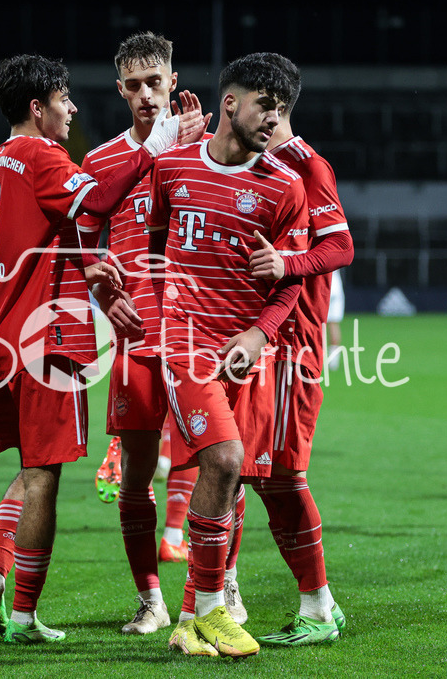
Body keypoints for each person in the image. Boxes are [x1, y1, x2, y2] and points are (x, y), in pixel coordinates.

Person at [0, 53, 181, 645]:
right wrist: (153, 146)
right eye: (64, 99)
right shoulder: (41, 155)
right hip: (44, 340)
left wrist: (83, 261)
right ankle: (24, 616)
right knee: (45, 479)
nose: (73, 109)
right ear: (38, 108)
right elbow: (103, 198)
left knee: (31, 468)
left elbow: (44, 232)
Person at [148, 52, 315, 658]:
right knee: (222, 459)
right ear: (230, 104)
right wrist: (151, 322)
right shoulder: (171, 170)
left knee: (234, 477)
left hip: (245, 349)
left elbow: (290, 280)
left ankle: (192, 614)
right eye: (265, 105)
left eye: (284, 109)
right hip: (185, 342)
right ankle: (216, 607)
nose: (275, 119)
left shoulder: (285, 187)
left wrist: (260, 336)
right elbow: (153, 245)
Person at [78, 31, 209, 636]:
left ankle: (215, 593)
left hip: (195, 333)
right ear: (120, 90)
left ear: (173, 81)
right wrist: (106, 294)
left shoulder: (205, 150)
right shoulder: (101, 161)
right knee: (134, 476)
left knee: (218, 463)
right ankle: (150, 598)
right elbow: (84, 244)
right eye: (133, 85)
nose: (146, 94)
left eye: (155, 81)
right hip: (134, 337)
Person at [244, 54, 354, 646]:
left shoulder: (307, 167)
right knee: (254, 474)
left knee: (281, 477)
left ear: (276, 108)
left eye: (255, 103)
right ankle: (320, 603)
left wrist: (287, 263)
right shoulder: (261, 164)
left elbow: (342, 248)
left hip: (292, 346)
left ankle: (315, 608)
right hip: (263, 343)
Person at [325, 269, 345, 370]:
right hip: (336, 285)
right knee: (334, 324)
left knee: (315, 324)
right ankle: (333, 362)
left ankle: (312, 356)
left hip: (324, 284)